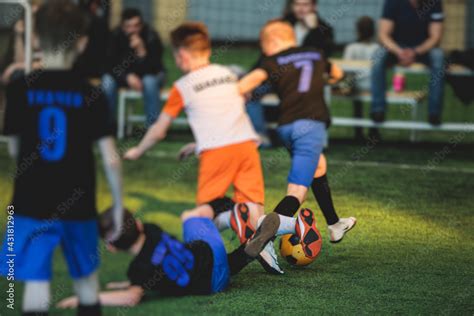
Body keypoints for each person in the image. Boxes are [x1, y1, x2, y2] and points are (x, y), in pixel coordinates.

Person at [123, 22, 282, 273]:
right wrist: (199, 142)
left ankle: (209, 258)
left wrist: (138, 150)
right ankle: (276, 240)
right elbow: (224, 114)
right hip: (246, 145)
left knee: (202, 216)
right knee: (253, 208)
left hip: (217, 153)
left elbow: (159, 129)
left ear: (182, 56)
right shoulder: (229, 74)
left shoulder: (183, 86)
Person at [0, 1, 123, 315]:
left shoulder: (18, 89)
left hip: (30, 200)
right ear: (81, 42)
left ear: (37, 40)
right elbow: (111, 159)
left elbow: (14, 148)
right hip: (78, 202)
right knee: (86, 281)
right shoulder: (90, 94)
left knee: (35, 283)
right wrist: (118, 209)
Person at [56, 204, 320, 307]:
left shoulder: (138, 271)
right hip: (209, 248)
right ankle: (231, 218)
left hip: (215, 283)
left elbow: (132, 296)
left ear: (112, 247)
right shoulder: (151, 229)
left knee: (215, 271)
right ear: (137, 224)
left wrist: (86, 298)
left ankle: (246, 251)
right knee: (192, 215)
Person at [239, 20, 357, 243]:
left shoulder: (272, 61)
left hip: (286, 127)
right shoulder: (315, 54)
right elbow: (338, 74)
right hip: (310, 128)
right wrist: (327, 81)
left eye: (264, 45)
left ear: (274, 42)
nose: (263, 50)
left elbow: (243, 86)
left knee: (318, 166)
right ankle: (262, 242)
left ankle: (334, 224)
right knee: (296, 192)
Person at [371, 0, 445, 125]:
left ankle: (434, 113)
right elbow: (383, 35)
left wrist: (415, 52)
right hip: (396, 49)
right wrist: (399, 51)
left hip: (423, 49)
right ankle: (378, 109)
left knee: (439, 57)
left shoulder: (435, 3)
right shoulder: (392, 2)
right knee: (377, 57)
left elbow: (435, 37)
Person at [101, 8, 165, 128]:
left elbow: (156, 68)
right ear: (122, 26)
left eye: (136, 25)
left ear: (141, 24)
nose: (133, 30)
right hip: (124, 77)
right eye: (128, 26)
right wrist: (127, 76)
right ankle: (107, 127)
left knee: (149, 81)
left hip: (150, 75)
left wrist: (142, 51)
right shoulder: (114, 36)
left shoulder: (151, 36)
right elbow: (109, 65)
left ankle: (154, 127)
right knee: (107, 82)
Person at [343, 16, 379, 140]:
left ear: (357, 31)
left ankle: (358, 132)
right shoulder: (377, 49)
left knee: (357, 103)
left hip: (356, 85)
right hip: (374, 86)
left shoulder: (351, 48)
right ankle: (374, 131)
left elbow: (346, 69)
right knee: (375, 102)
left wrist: (347, 85)